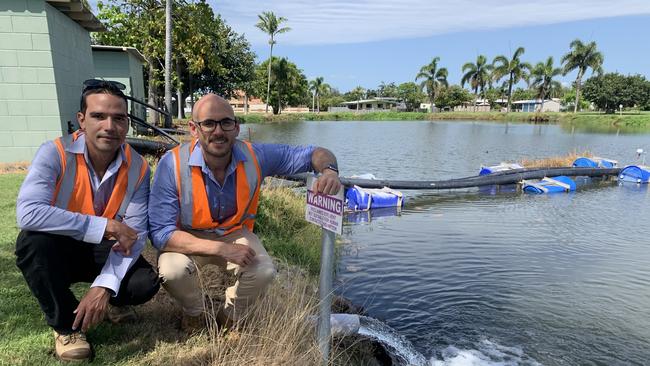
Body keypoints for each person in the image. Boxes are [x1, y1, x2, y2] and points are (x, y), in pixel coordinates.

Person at [149, 93, 341, 331]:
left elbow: (314, 154)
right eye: (208, 123)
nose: (218, 131)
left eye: (226, 123)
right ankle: (195, 313)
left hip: (233, 232)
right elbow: (160, 233)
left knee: (264, 270)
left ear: (236, 127)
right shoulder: (172, 163)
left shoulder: (255, 155)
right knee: (172, 272)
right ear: (193, 129)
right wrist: (223, 249)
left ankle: (230, 316)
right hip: (187, 235)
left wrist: (330, 171)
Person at [15, 80, 160, 362]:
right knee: (31, 244)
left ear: (127, 123)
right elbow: (29, 212)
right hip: (59, 246)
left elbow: (135, 234)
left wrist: (104, 286)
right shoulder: (54, 152)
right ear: (82, 120)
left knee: (144, 282)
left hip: (102, 248)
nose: (109, 126)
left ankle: (111, 303)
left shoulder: (139, 166)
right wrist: (105, 225)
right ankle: (66, 326)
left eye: (119, 118)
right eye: (98, 116)